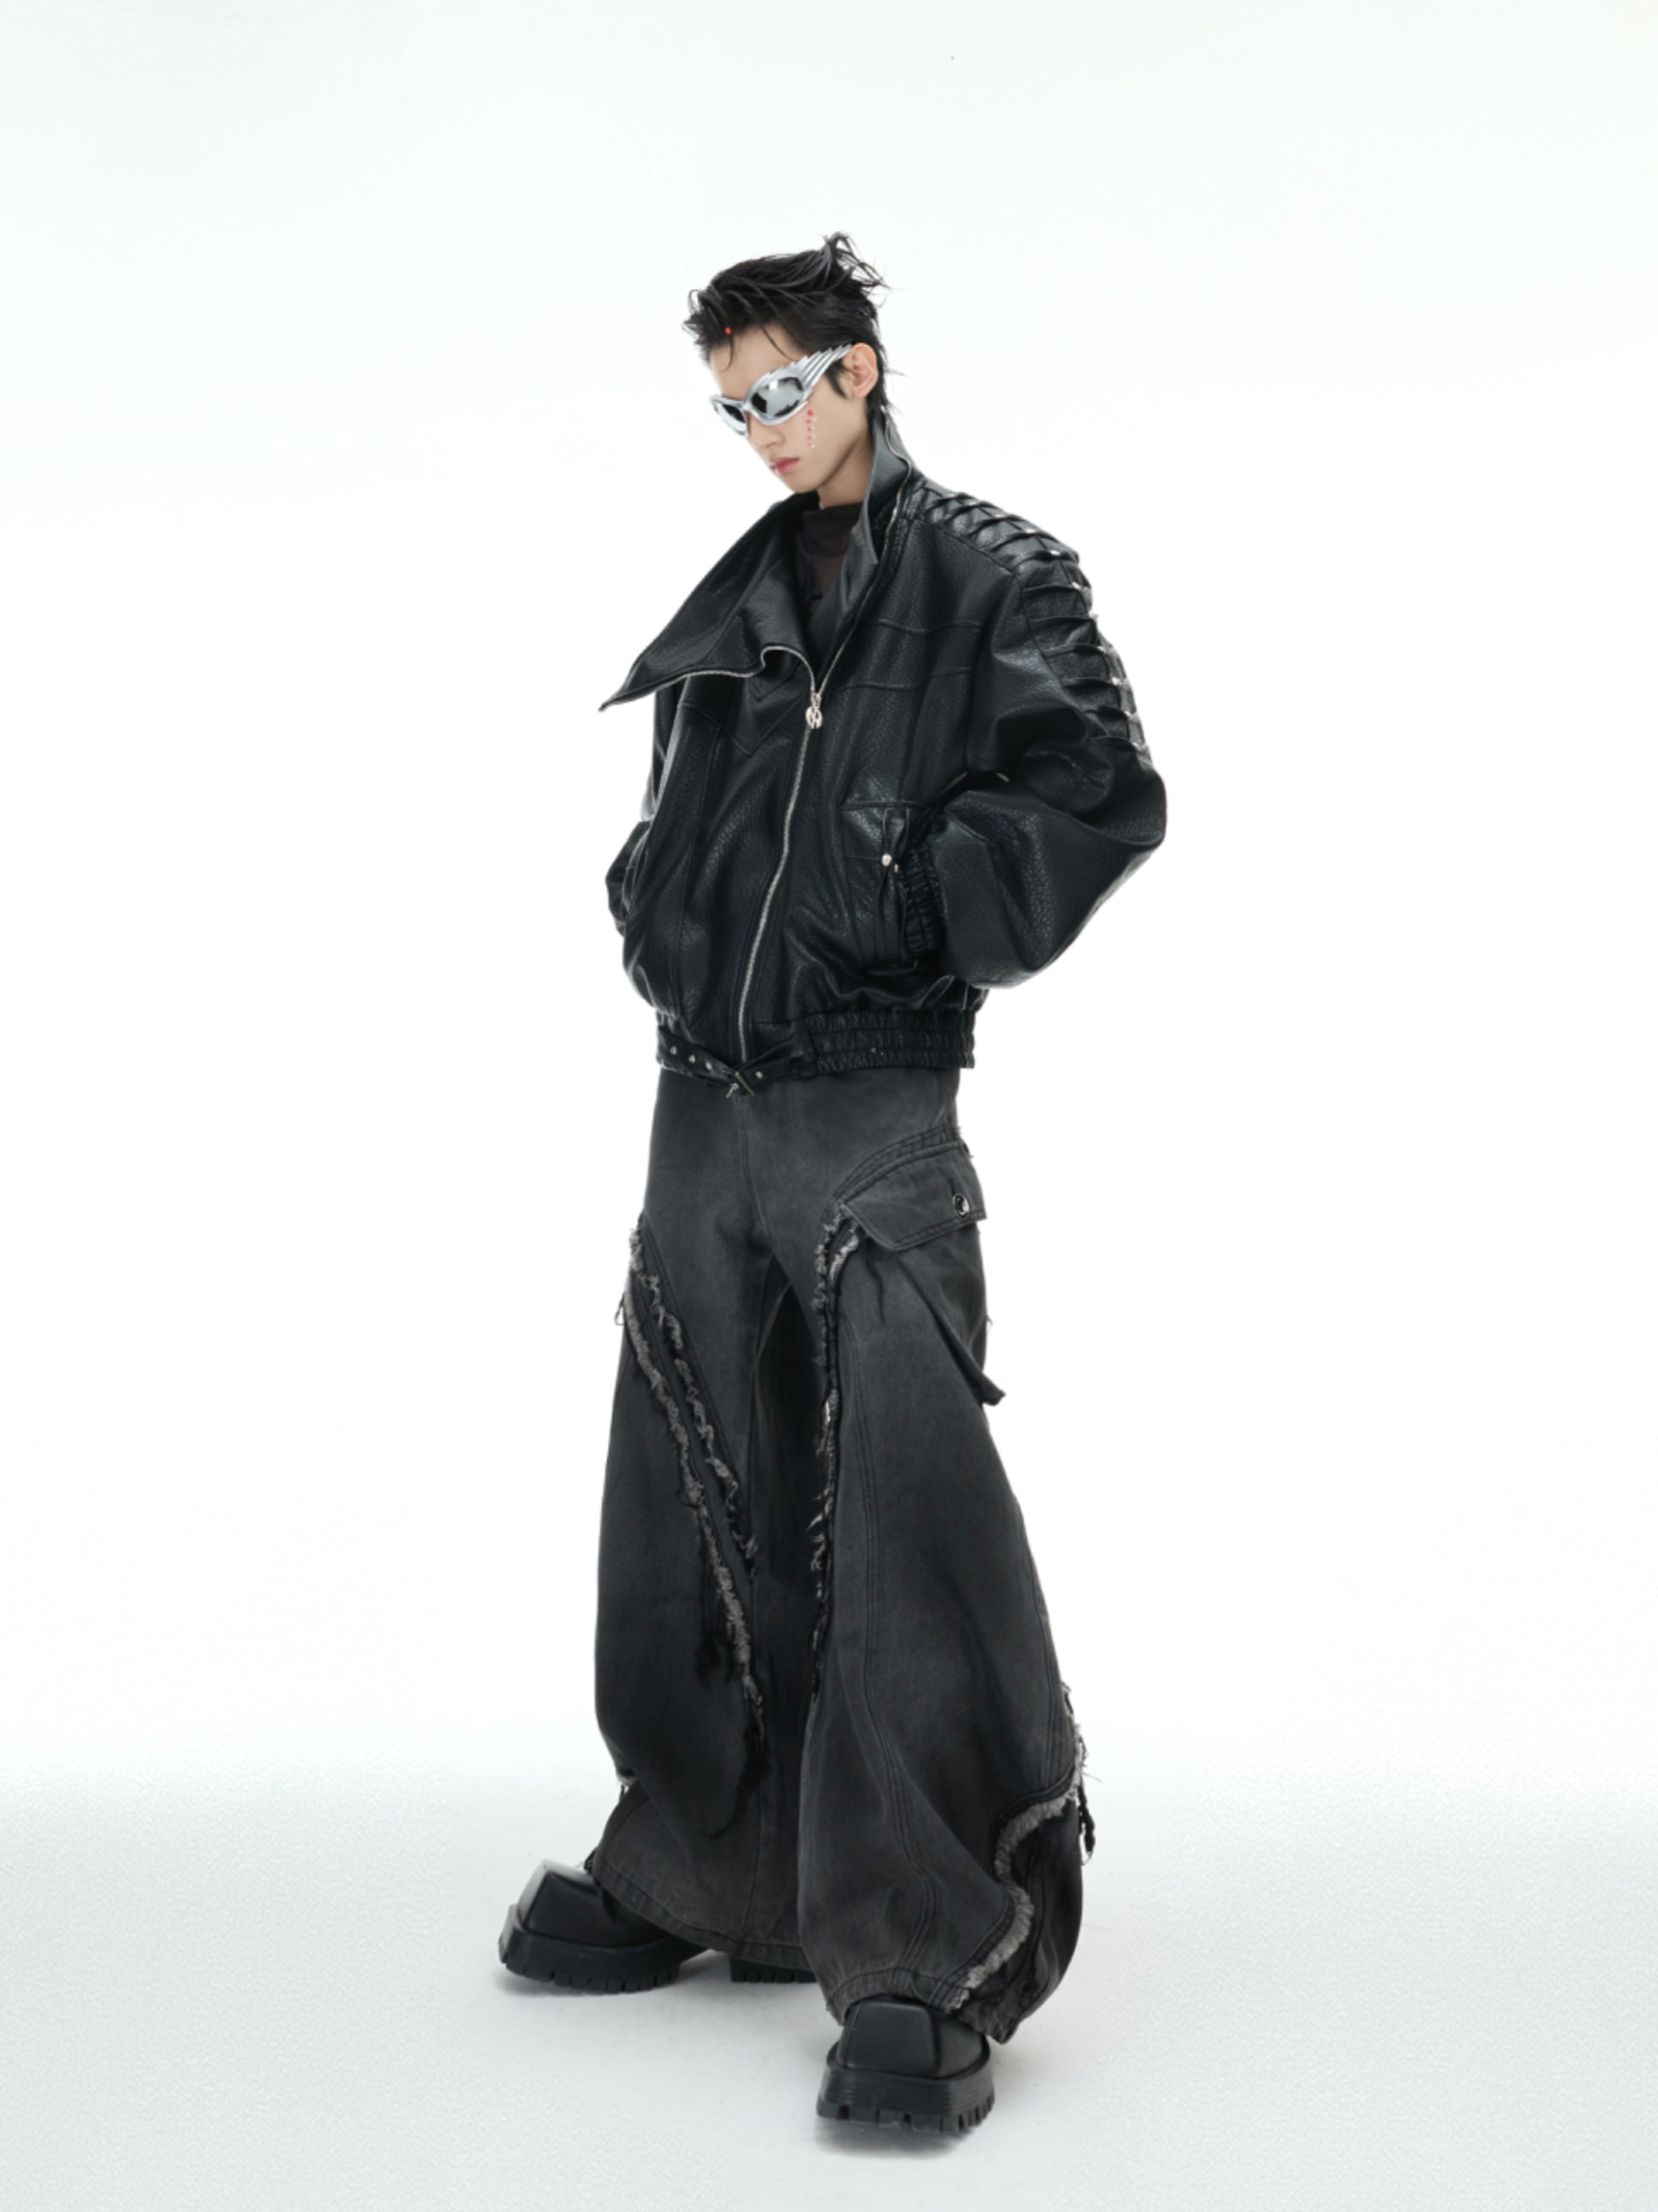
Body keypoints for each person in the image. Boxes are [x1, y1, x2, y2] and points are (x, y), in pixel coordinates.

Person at [498, 233, 1168, 2134]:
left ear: (858, 368)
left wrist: (899, 899)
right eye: (732, 407)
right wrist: (652, 903)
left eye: (781, 390)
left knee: (900, 1508)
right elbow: (692, 821)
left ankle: (929, 1945)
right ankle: (710, 1855)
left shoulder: (991, 576)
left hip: (868, 1100)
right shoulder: (744, 592)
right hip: (698, 1101)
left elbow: (1096, 787)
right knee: (689, 1478)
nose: (761, 430)